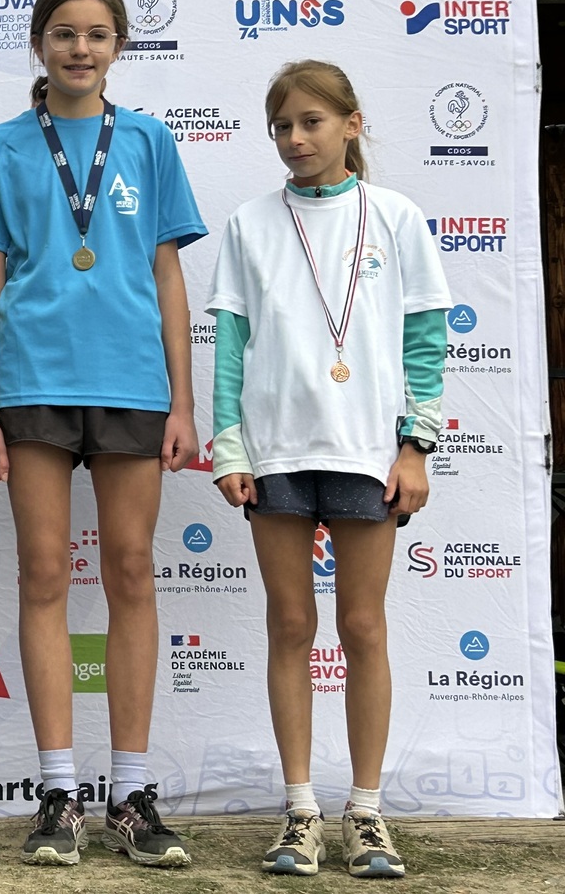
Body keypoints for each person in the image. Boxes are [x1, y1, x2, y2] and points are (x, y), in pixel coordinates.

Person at [0, 0, 204, 868]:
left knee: (131, 571)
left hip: (132, 383)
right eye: (64, 33)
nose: (80, 49)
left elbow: (167, 275)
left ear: (119, 45)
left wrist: (183, 401)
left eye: (97, 34)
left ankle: (131, 794)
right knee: (45, 574)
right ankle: (58, 796)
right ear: (39, 43)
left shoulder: (151, 141)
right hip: (33, 383)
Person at [208, 60, 449, 879]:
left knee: (363, 627)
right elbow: (231, 347)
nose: (295, 138)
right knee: (289, 626)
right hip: (275, 452)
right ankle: (301, 809)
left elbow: (426, 341)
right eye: (281, 126)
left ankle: (368, 814)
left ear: (351, 124)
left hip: (367, 453)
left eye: (311, 121)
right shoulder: (249, 223)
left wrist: (415, 445)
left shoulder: (396, 216)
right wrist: (230, 446)